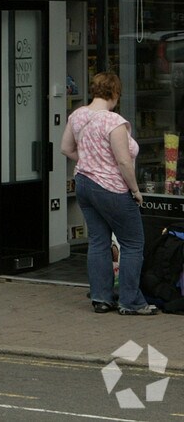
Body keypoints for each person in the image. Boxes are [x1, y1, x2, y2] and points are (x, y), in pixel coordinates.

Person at [63, 70, 158, 316]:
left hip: (84, 183)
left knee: (97, 241)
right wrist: (135, 190)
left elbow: (66, 148)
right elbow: (124, 163)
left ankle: (101, 299)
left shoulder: (77, 116)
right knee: (133, 243)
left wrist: (90, 162)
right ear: (114, 93)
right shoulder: (113, 122)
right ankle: (131, 301)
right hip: (112, 188)